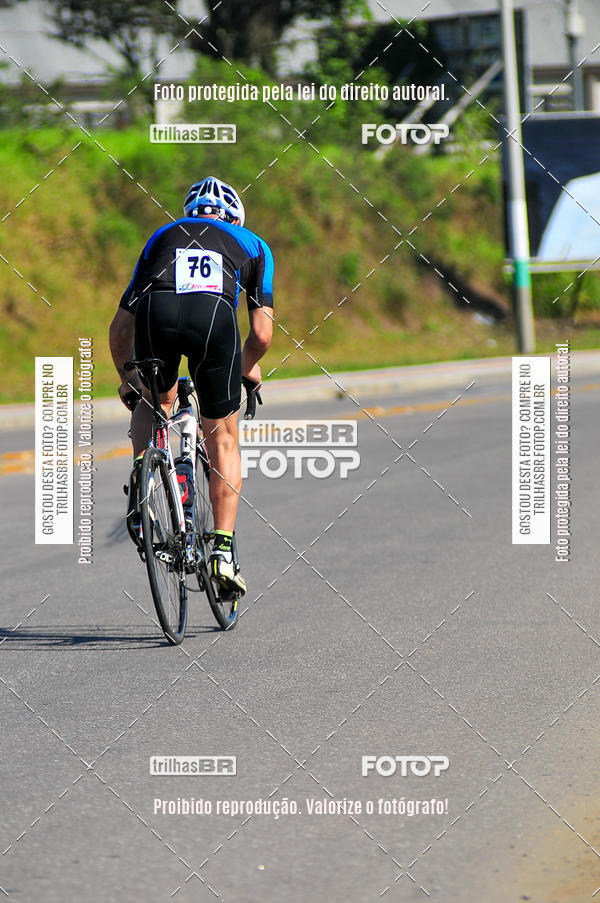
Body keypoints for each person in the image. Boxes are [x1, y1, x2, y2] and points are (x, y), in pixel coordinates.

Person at [109, 176, 274, 594]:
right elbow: (262, 335)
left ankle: (144, 485)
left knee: (154, 401)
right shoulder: (252, 243)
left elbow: (120, 327)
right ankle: (221, 550)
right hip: (213, 318)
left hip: (155, 313)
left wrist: (129, 381)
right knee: (222, 436)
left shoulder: (160, 237)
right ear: (234, 217)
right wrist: (245, 368)